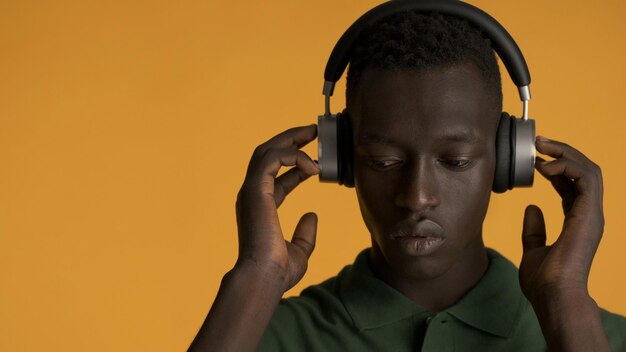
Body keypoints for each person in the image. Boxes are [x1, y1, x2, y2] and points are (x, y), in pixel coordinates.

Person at [188, 7, 626, 352]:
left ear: (510, 159)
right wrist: (255, 279)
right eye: (382, 161)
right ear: (341, 159)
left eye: (454, 161)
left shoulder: (601, 337)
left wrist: (566, 303)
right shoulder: (257, 333)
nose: (417, 197)